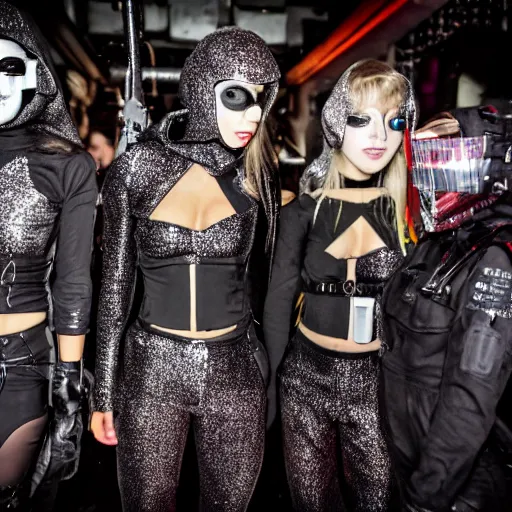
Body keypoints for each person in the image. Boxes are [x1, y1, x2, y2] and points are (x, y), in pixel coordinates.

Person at [91, 27, 280, 511]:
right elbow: (114, 288)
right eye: (236, 96)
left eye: (260, 99)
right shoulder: (136, 169)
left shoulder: (258, 175)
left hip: (234, 370)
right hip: (152, 369)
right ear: (202, 87)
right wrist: (103, 391)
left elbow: (270, 280)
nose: (253, 114)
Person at [263, 59, 416, 511]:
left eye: (394, 121)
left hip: (377, 383)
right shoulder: (302, 212)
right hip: (304, 377)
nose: (379, 136)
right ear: (335, 123)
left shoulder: (411, 216)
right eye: (361, 118)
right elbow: (277, 304)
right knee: (311, 503)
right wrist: (268, 389)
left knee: (377, 502)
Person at [380, 105, 512, 511]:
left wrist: (426, 497)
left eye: (445, 165)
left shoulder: (494, 260)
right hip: (407, 465)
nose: (433, 180)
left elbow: (470, 395)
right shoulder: (437, 241)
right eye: (427, 165)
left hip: (451, 489)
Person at [0, 1, 97, 509]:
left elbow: (74, 282)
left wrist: (68, 385)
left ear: (34, 73)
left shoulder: (68, 167)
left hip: (20, 363)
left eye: (7, 65)